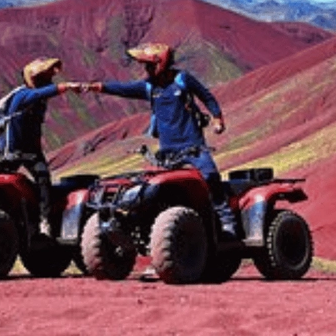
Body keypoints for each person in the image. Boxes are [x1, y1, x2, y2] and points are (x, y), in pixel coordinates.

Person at [87, 43, 237, 235]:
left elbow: (206, 97)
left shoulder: (182, 80)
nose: (146, 70)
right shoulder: (149, 86)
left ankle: (227, 222)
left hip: (194, 146)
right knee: (158, 189)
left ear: (161, 63)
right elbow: (123, 88)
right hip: (167, 151)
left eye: (150, 65)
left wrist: (217, 118)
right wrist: (96, 87)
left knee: (210, 177)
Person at [0, 57, 82, 236]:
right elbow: (39, 94)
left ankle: (44, 221)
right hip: (13, 150)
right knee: (2, 184)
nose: (48, 82)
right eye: (45, 78)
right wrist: (66, 86)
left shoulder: (38, 99)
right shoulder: (23, 95)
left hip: (31, 150)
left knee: (43, 181)